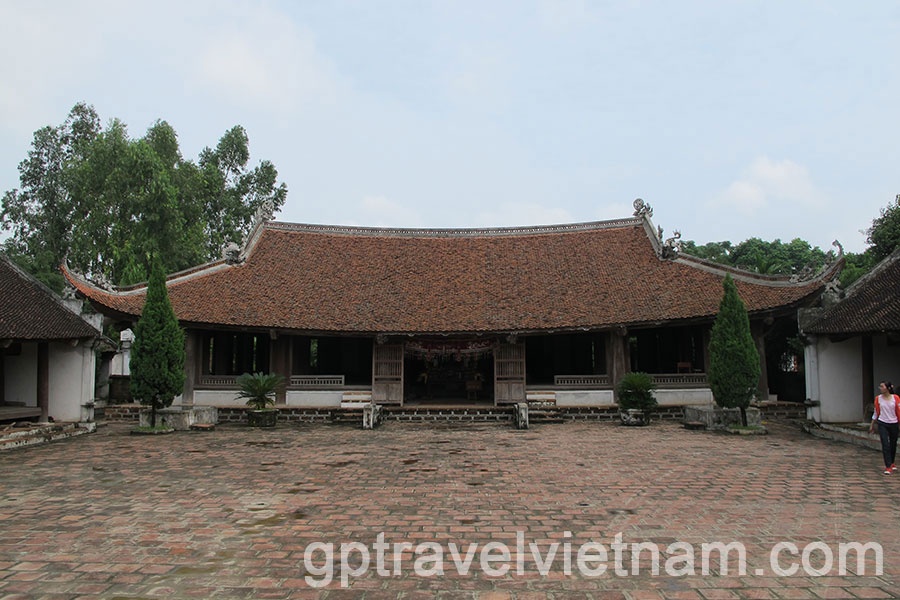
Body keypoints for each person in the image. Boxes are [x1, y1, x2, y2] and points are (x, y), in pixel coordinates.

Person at [868, 381, 900, 474]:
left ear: (888, 388)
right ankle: (888, 466)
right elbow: (876, 412)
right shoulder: (878, 399)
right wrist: (872, 424)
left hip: (894, 423)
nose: (880, 388)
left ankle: (892, 462)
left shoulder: (896, 398)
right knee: (885, 444)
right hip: (882, 423)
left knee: (893, 444)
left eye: (882, 386)